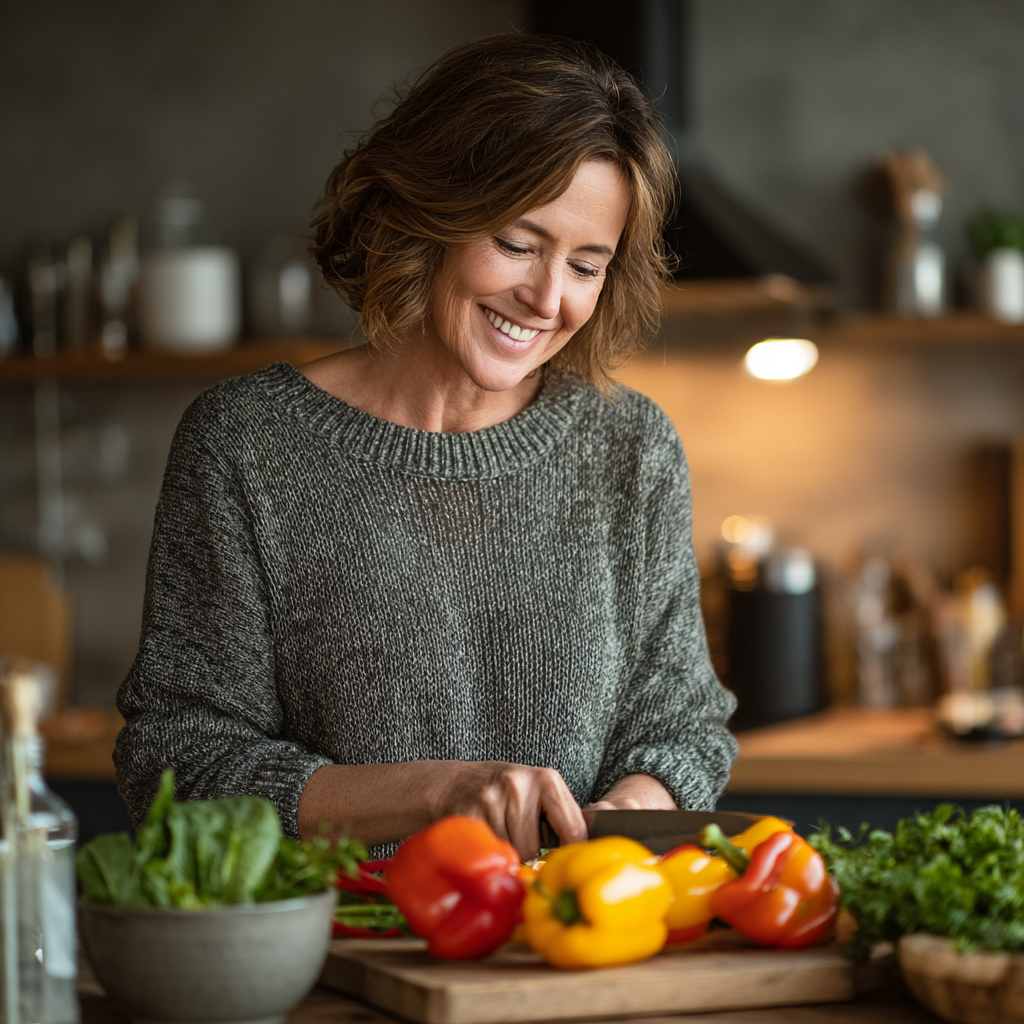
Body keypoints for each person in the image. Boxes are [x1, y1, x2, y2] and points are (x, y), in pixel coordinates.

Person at [114, 34, 737, 860]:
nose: (547, 298)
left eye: (588, 265)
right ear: (429, 210)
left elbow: (683, 727)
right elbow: (178, 761)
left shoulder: (630, 448)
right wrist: (439, 795)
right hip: (343, 961)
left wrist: (618, 819)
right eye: (518, 244)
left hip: (570, 952)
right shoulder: (247, 445)